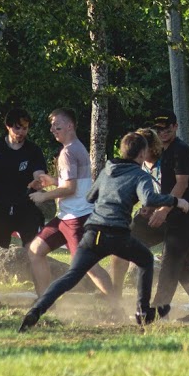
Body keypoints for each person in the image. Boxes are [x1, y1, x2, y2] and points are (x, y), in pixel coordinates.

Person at [19, 132, 189, 332]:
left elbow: (90, 197)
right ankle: (143, 312)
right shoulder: (140, 174)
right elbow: (149, 199)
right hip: (117, 234)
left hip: (92, 232)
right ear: (142, 154)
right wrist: (177, 201)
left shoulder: (107, 170)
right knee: (145, 259)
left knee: (71, 276)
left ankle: (36, 311)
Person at [27, 109, 117, 304]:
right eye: (51, 126)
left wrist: (44, 197)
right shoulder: (76, 147)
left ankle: (117, 307)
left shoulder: (68, 152)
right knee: (36, 250)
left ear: (70, 126)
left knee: (88, 266)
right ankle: (45, 300)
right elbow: (73, 183)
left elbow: (70, 188)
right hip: (66, 217)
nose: (52, 129)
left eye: (56, 125)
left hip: (77, 218)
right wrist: (53, 181)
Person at [147, 109, 189, 323]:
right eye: (158, 129)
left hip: (187, 214)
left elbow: (182, 184)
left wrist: (163, 210)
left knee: (170, 262)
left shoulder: (180, 150)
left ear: (175, 127)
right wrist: (152, 205)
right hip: (174, 213)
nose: (162, 132)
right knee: (181, 265)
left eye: (166, 128)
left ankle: (159, 311)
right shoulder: (163, 151)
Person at [0, 108, 48, 285]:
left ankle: (44, 296)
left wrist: (39, 180)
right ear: (8, 126)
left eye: (25, 128)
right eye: (17, 128)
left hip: (26, 208)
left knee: (36, 253)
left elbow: (39, 173)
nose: (21, 132)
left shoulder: (33, 150)